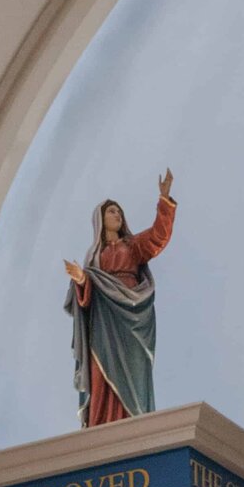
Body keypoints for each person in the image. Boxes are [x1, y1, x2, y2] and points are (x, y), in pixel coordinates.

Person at [64, 169, 176, 425]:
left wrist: (165, 201)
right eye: (111, 211)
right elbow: (87, 296)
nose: (117, 214)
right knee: (100, 372)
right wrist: (82, 279)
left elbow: (158, 237)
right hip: (104, 318)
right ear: (100, 220)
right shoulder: (94, 257)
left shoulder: (132, 246)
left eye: (119, 212)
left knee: (135, 372)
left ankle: (134, 421)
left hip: (132, 315)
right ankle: (101, 424)